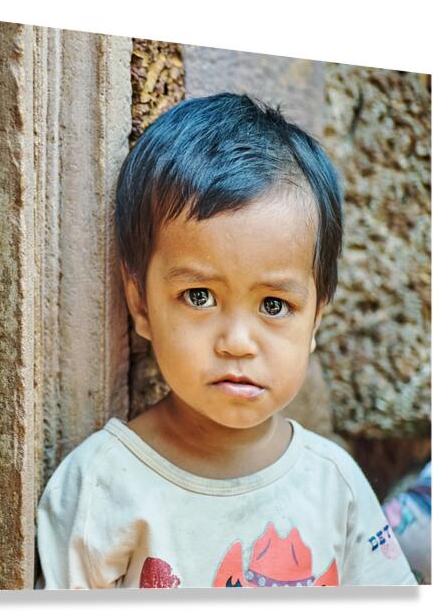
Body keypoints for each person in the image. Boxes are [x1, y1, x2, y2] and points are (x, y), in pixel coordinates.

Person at [35, 93, 417, 588]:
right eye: (199, 296)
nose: (237, 342)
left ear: (316, 320)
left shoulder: (334, 484)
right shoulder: (103, 487)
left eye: (274, 306)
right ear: (141, 304)